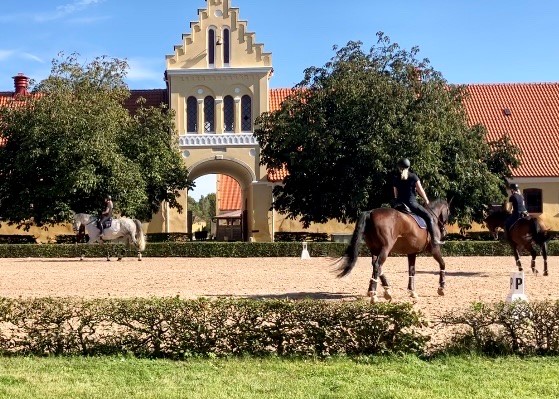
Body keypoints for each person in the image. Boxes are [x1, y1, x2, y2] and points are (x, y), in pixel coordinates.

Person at [392, 158, 444, 247]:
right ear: (408, 167)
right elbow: (420, 190)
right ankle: (435, 240)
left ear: (399, 167)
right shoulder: (413, 176)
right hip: (411, 204)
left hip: (398, 205)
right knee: (429, 217)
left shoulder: (396, 178)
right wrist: (426, 200)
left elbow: (395, 194)